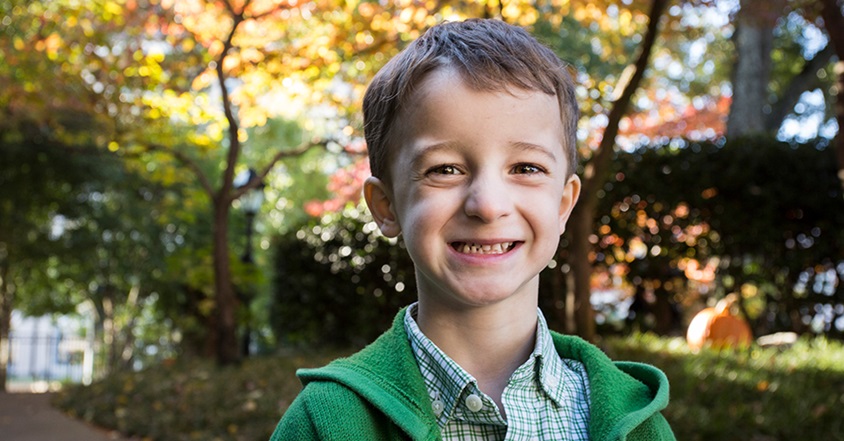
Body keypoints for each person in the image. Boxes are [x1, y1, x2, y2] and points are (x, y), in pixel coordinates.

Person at [270, 18, 676, 440]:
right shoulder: (326, 422)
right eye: (444, 169)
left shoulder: (639, 425)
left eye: (526, 168)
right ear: (385, 206)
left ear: (562, 204)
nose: (487, 205)